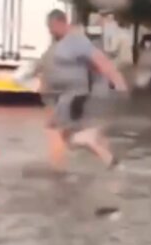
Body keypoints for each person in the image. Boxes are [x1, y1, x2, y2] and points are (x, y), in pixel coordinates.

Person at [37, 9, 128, 172]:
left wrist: (118, 82)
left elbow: (101, 61)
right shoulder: (59, 43)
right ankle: (111, 162)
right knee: (69, 136)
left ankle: (56, 175)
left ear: (59, 23)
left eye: (50, 27)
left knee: (56, 131)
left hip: (74, 96)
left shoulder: (76, 41)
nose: (49, 31)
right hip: (69, 97)